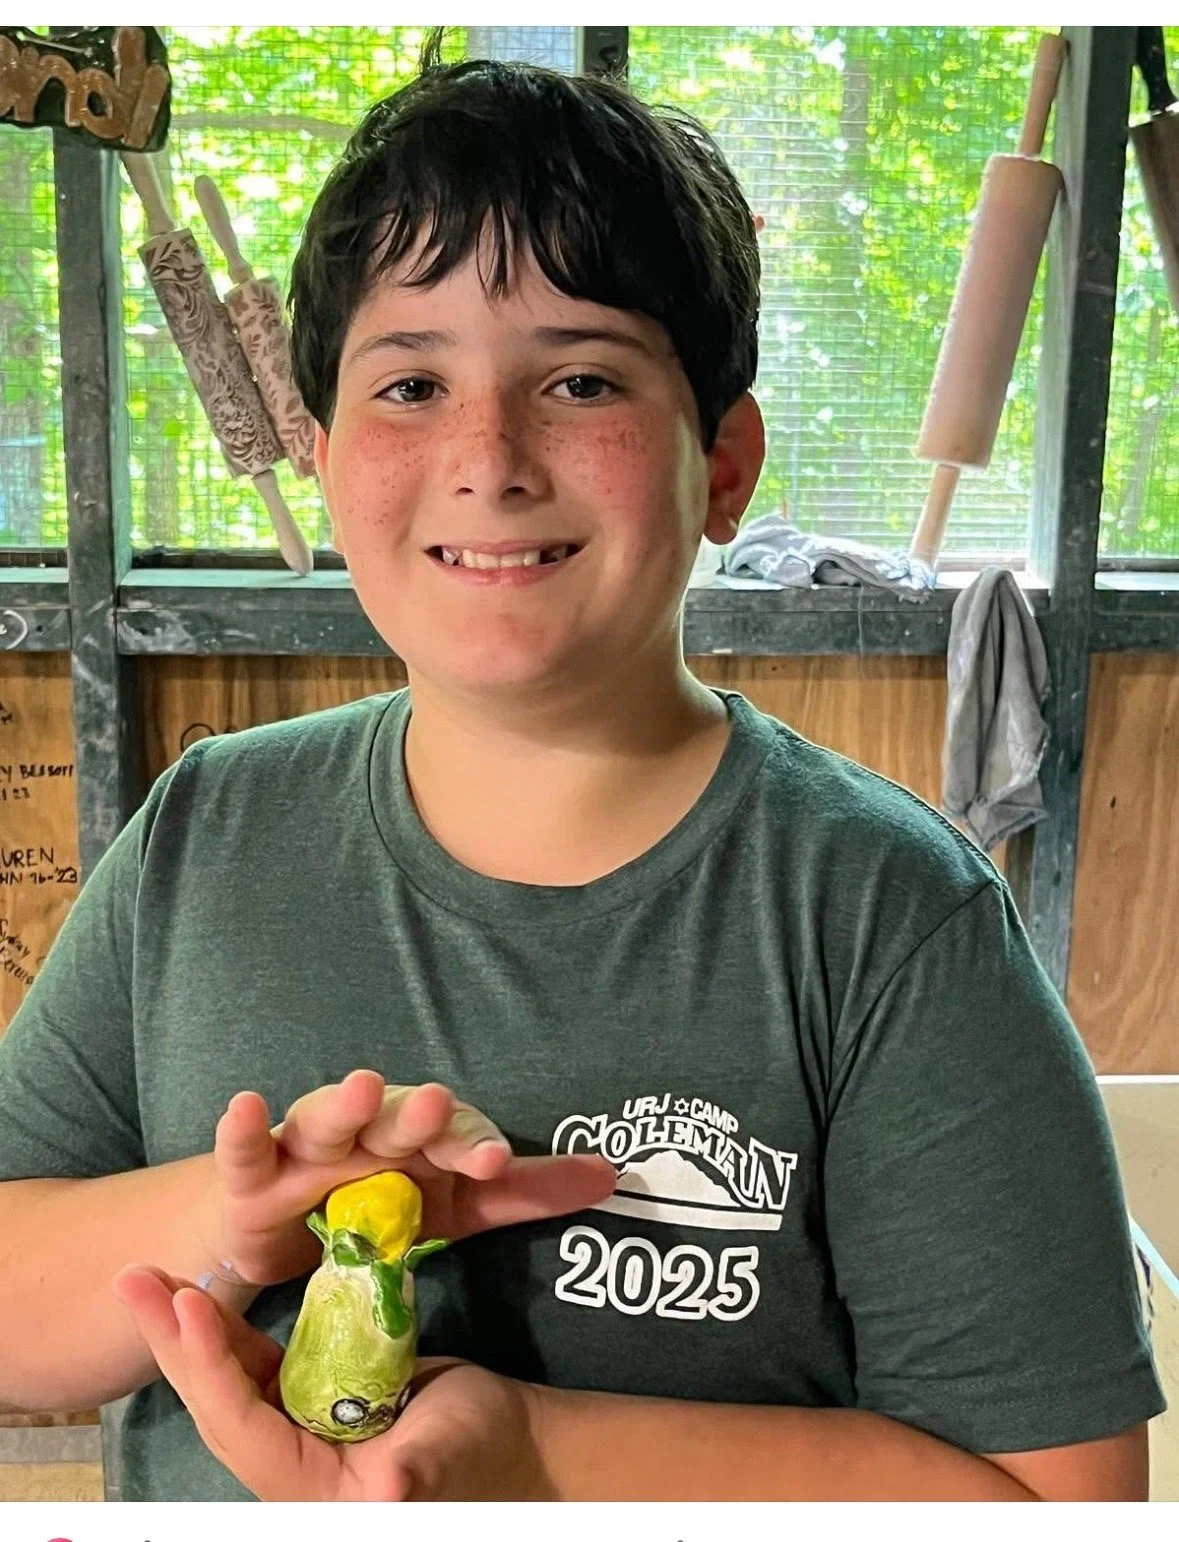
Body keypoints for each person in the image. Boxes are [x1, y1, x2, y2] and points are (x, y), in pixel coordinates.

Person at [0, 37, 1164, 1502]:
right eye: (411, 383)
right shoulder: (204, 834)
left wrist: (540, 1453)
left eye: (582, 381)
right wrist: (239, 1225)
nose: (488, 456)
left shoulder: (885, 920)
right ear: (316, 445)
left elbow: (1061, 1501)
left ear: (722, 462)